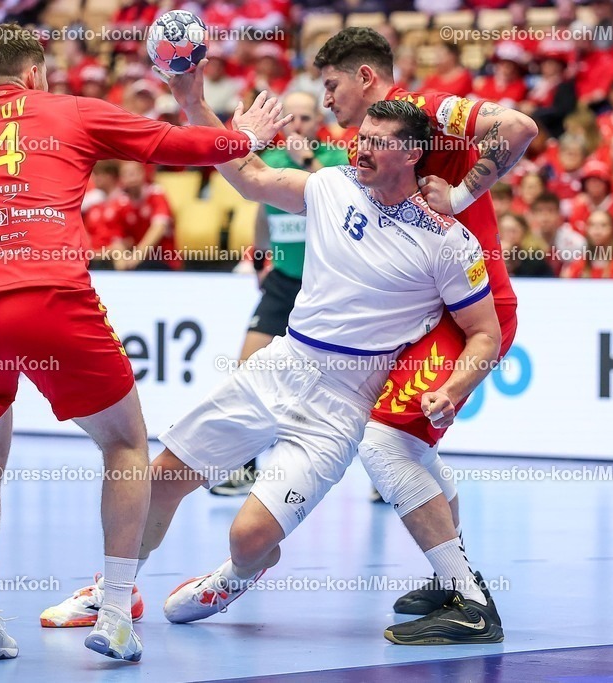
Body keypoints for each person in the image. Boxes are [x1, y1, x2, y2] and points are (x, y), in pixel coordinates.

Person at [44, 67, 504, 645]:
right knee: (161, 479)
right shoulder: (332, 186)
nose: (360, 150)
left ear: (411, 154)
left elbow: (483, 333)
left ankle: (243, 569)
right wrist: (193, 100)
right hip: (280, 366)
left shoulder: (447, 239)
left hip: (340, 404)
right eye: (360, 139)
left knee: (249, 535)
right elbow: (251, 174)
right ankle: (113, 592)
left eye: (377, 143)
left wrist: (453, 388)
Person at [0, 23, 291, 665]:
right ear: (35, 73)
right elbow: (168, 145)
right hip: (47, 295)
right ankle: (117, 611)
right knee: (124, 443)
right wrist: (247, 138)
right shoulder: (69, 110)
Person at [312, 27, 535, 636]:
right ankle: (452, 580)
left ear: (365, 77)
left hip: (472, 309)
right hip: (428, 312)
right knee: (409, 445)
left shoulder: (430, 113)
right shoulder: (368, 141)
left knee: (383, 441)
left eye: (332, 85)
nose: (327, 100)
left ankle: (471, 605)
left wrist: (460, 195)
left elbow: (518, 127)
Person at [210, 90, 349, 497]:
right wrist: (260, 259)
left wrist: (307, 159)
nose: (300, 125)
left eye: (307, 118)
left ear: (316, 122)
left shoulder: (336, 161)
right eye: (295, 118)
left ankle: (385, 476)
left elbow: (345, 203)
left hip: (328, 287)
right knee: (247, 369)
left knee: (352, 383)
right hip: (284, 281)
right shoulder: (269, 164)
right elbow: (262, 211)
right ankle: (245, 466)